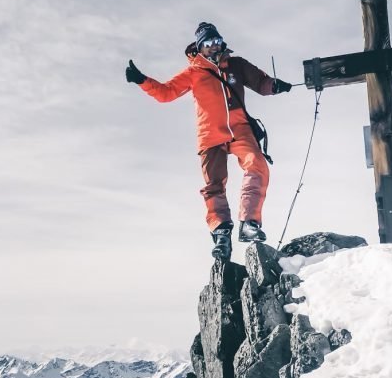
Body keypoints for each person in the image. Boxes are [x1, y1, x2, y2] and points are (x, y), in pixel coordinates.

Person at [125, 22, 292, 260]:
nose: (214, 46)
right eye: (208, 43)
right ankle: (221, 232)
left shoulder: (237, 65)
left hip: (240, 129)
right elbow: (166, 93)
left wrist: (274, 85)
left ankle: (249, 222)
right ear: (199, 48)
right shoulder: (194, 73)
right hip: (210, 134)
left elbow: (261, 82)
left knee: (257, 164)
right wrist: (142, 80)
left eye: (217, 41)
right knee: (214, 184)